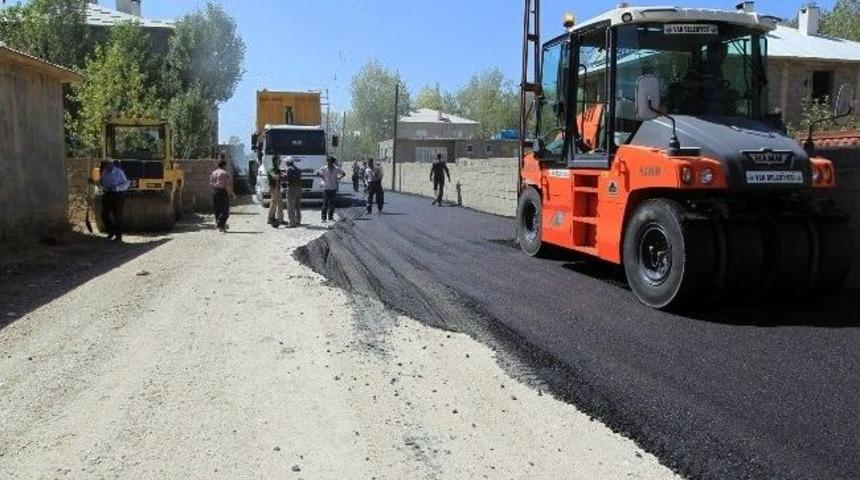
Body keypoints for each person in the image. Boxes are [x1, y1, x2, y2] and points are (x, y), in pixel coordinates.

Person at [93, 158, 129, 242]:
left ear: (112, 164)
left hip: (117, 195)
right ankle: (111, 231)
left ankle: (118, 236)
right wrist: (93, 182)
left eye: (108, 165)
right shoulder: (105, 172)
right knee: (104, 215)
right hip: (107, 194)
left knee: (117, 216)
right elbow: (101, 183)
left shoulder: (119, 172)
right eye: (105, 166)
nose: (106, 167)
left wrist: (116, 187)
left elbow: (126, 184)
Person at [210, 155, 235, 232]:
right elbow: (227, 186)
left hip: (215, 192)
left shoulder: (213, 173)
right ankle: (221, 224)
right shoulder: (225, 173)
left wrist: (214, 190)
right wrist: (232, 194)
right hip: (222, 192)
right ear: (224, 165)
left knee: (217, 209)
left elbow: (210, 183)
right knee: (225, 211)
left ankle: (220, 225)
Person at [317, 156, 345, 223]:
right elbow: (318, 173)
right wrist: (323, 177)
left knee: (332, 204)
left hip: (333, 188)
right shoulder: (324, 168)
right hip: (326, 188)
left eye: (330, 161)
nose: (329, 163)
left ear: (332, 162)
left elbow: (343, 173)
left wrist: (339, 178)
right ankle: (323, 218)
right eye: (328, 161)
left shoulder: (336, 169)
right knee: (325, 204)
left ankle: (330, 217)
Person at [282, 156, 303, 228]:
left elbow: (287, 178)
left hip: (292, 188)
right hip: (299, 188)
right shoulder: (297, 169)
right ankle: (298, 220)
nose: (285, 163)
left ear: (288, 163)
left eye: (286, 162)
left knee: (290, 206)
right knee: (297, 205)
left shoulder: (289, 169)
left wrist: (283, 176)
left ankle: (292, 223)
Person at [267, 154, 284, 228]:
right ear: (275, 161)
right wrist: (278, 176)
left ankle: (280, 219)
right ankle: (270, 218)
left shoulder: (278, 169)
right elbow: (274, 176)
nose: (280, 161)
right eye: (278, 160)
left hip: (278, 188)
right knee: (274, 203)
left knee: (280, 203)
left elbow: (280, 176)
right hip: (274, 188)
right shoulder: (272, 169)